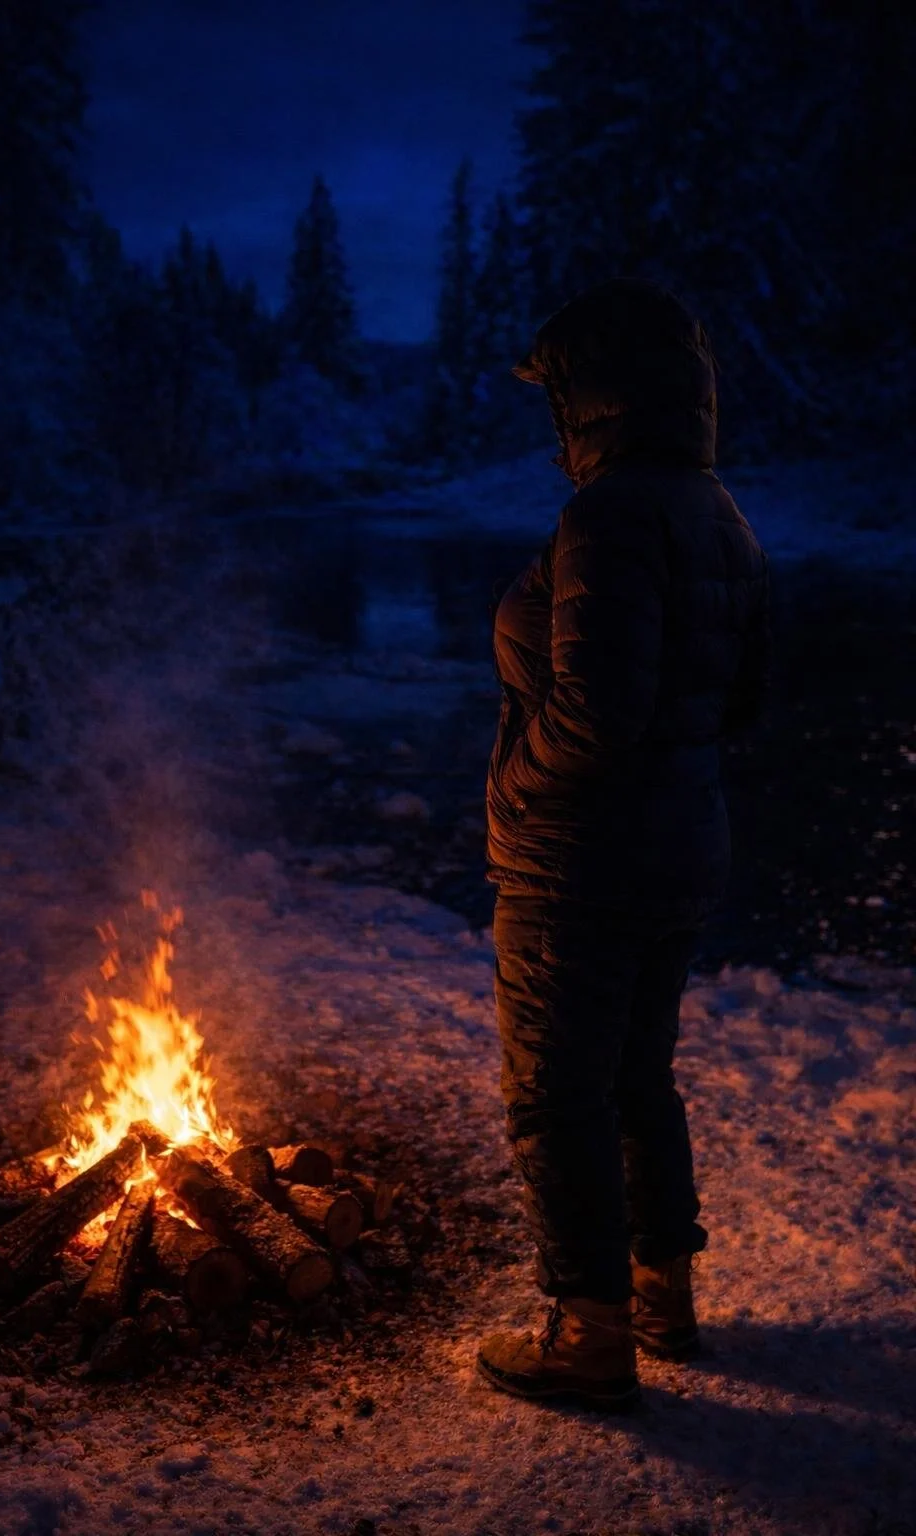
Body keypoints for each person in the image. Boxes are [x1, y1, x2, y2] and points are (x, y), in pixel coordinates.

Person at [477, 279, 771, 1410]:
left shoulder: (607, 518)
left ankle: (588, 1338)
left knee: (555, 1097)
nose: (551, 428)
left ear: (593, 401)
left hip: (580, 863)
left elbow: (595, 713)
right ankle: (660, 1301)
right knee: (636, 1078)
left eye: (558, 400)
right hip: (681, 847)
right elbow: (742, 698)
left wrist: (520, 785)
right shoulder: (718, 511)